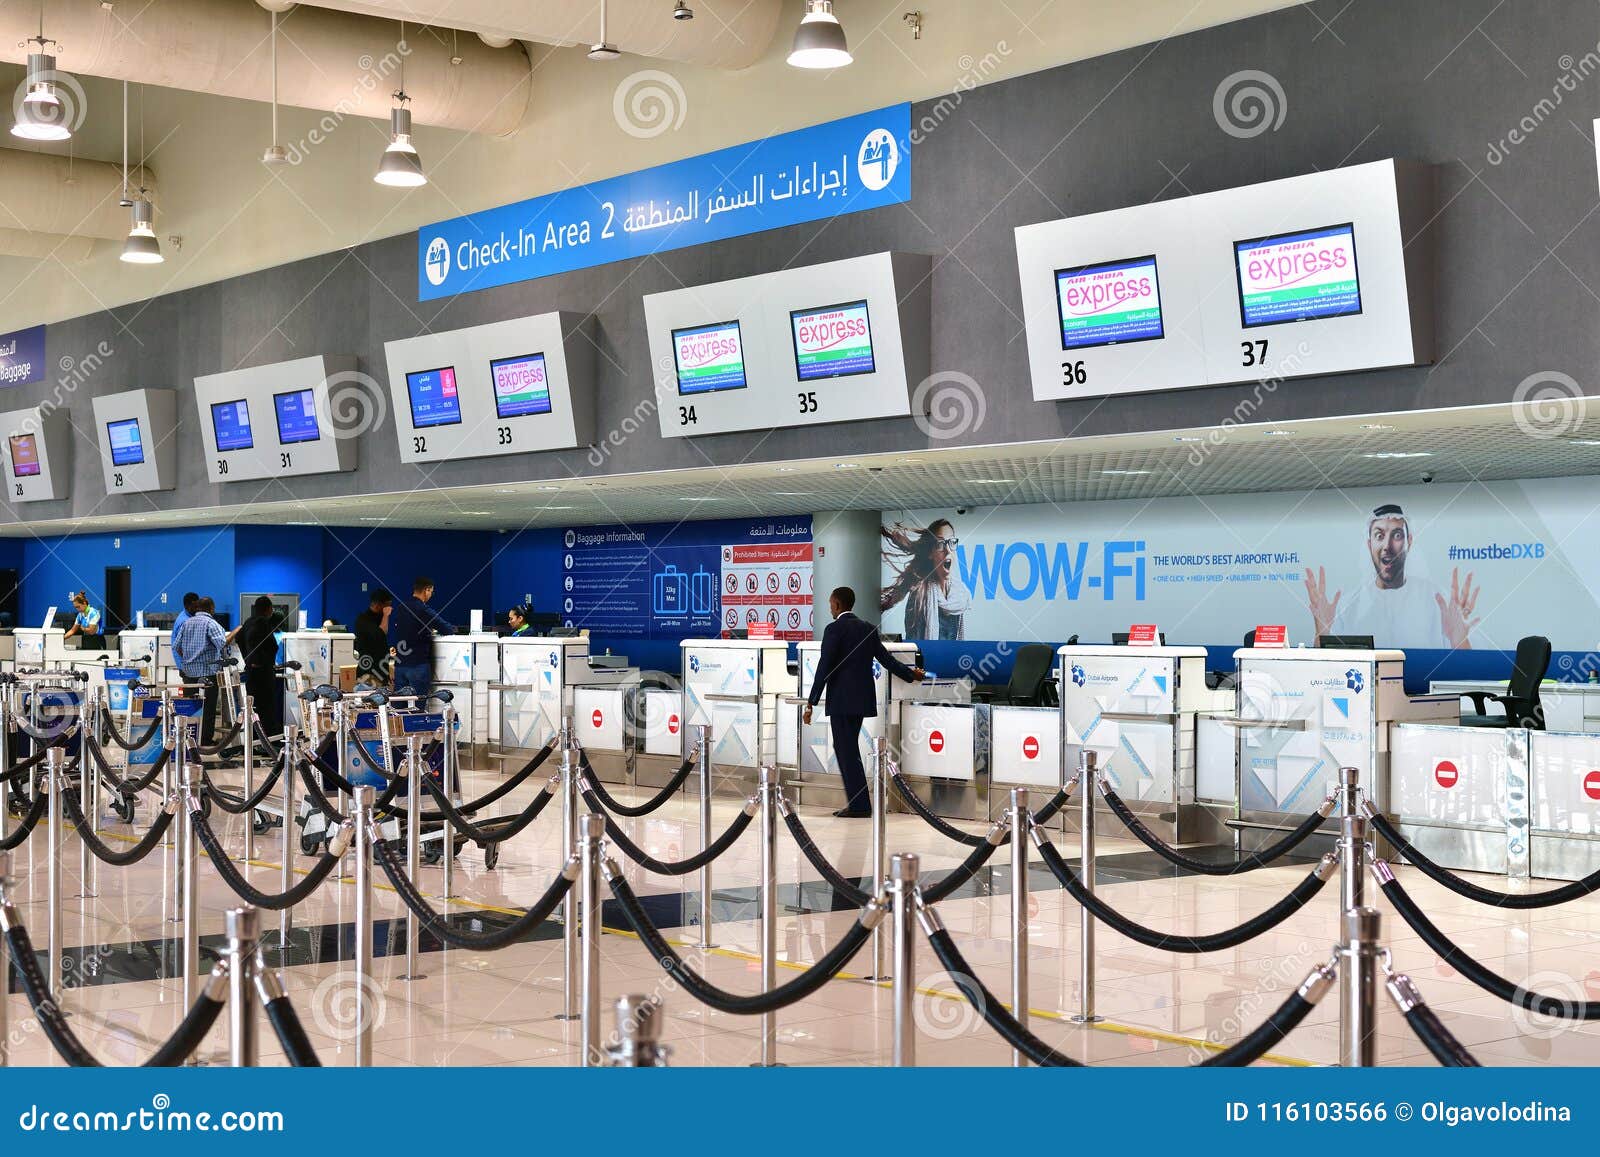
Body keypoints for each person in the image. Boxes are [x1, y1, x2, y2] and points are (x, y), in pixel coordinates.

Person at [804, 586, 925, 817]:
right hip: (860, 700)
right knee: (848, 749)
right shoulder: (868, 629)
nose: (830, 608)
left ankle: (859, 805)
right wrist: (911, 674)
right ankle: (859, 803)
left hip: (840, 701)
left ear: (838, 605)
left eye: (831, 604)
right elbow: (887, 660)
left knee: (845, 749)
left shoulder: (833, 630)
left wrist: (812, 701)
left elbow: (824, 667)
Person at [1304, 503, 1481, 650]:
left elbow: (1466, 671)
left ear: (1409, 542)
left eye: (1396, 535)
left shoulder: (1438, 601)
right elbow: (1325, 671)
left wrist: (1459, 640)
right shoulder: (1349, 605)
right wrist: (1323, 631)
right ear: (1369, 544)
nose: (1387, 546)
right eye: (1379, 535)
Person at [881, 518, 972, 640]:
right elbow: (913, 643)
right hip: (929, 657)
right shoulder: (919, 594)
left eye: (952, 542)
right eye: (940, 544)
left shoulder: (959, 593)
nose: (948, 550)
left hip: (953, 658)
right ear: (930, 553)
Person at [172, 596, 229, 745]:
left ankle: (188, 738)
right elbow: (221, 644)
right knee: (208, 708)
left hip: (189, 674)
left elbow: (176, 646)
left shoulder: (186, 623)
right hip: (208, 674)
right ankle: (204, 740)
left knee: (191, 708)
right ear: (211, 608)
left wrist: (189, 659)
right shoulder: (211, 623)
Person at [229, 596, 283, 738]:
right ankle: (267, 738)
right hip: (264, 672)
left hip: (251, 672)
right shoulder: (263, 622)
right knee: (267, 707)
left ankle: (253, 737)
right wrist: (263, 660)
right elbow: (272, 646)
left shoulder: (247, 622)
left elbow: (239, 638)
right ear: (268, 609)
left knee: (253, 706)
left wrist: (248, 658)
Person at [389, 576, 449, 695]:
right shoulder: (423, 609)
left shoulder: (401, 607)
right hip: (418, 665)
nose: (431, 595)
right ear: (426, 590)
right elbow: (446, 628)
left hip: (400, 666)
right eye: (431, 592)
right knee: (418, 707)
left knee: (399, 707)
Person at [353, 589, 394, 685]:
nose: (389, 608)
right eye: (387, 605)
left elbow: (381, 642)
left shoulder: (378, 618)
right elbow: (381, 633)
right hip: (368, 672)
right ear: (377, 604)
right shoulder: (363, 620)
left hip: (382, 671)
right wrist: (386, 615)